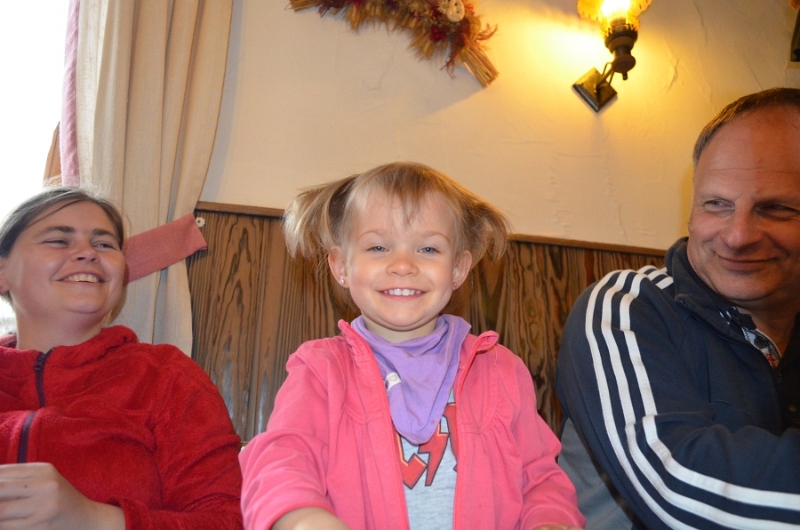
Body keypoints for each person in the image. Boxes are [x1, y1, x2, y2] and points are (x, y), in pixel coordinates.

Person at [239, 162, 586, 530]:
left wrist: (551, 521)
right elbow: (281, 462)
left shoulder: (500, 369)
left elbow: (540, 480)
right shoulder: (320, 370)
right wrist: (302, 519)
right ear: (341, 266)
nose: (403, 265)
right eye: (378, 247)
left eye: (428, 249)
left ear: (458, 269)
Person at [556, 87, 800, 529]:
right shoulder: (626, 306)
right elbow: (678, 488)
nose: (737, 236)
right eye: (716, 204)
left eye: (776, 209)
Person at [0, 187, 243, 529]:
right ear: (3, 273)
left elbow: (229, 520)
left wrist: (96, 519)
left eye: (104, 244)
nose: (88, 253)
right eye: (58, 240)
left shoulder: (166, 376)